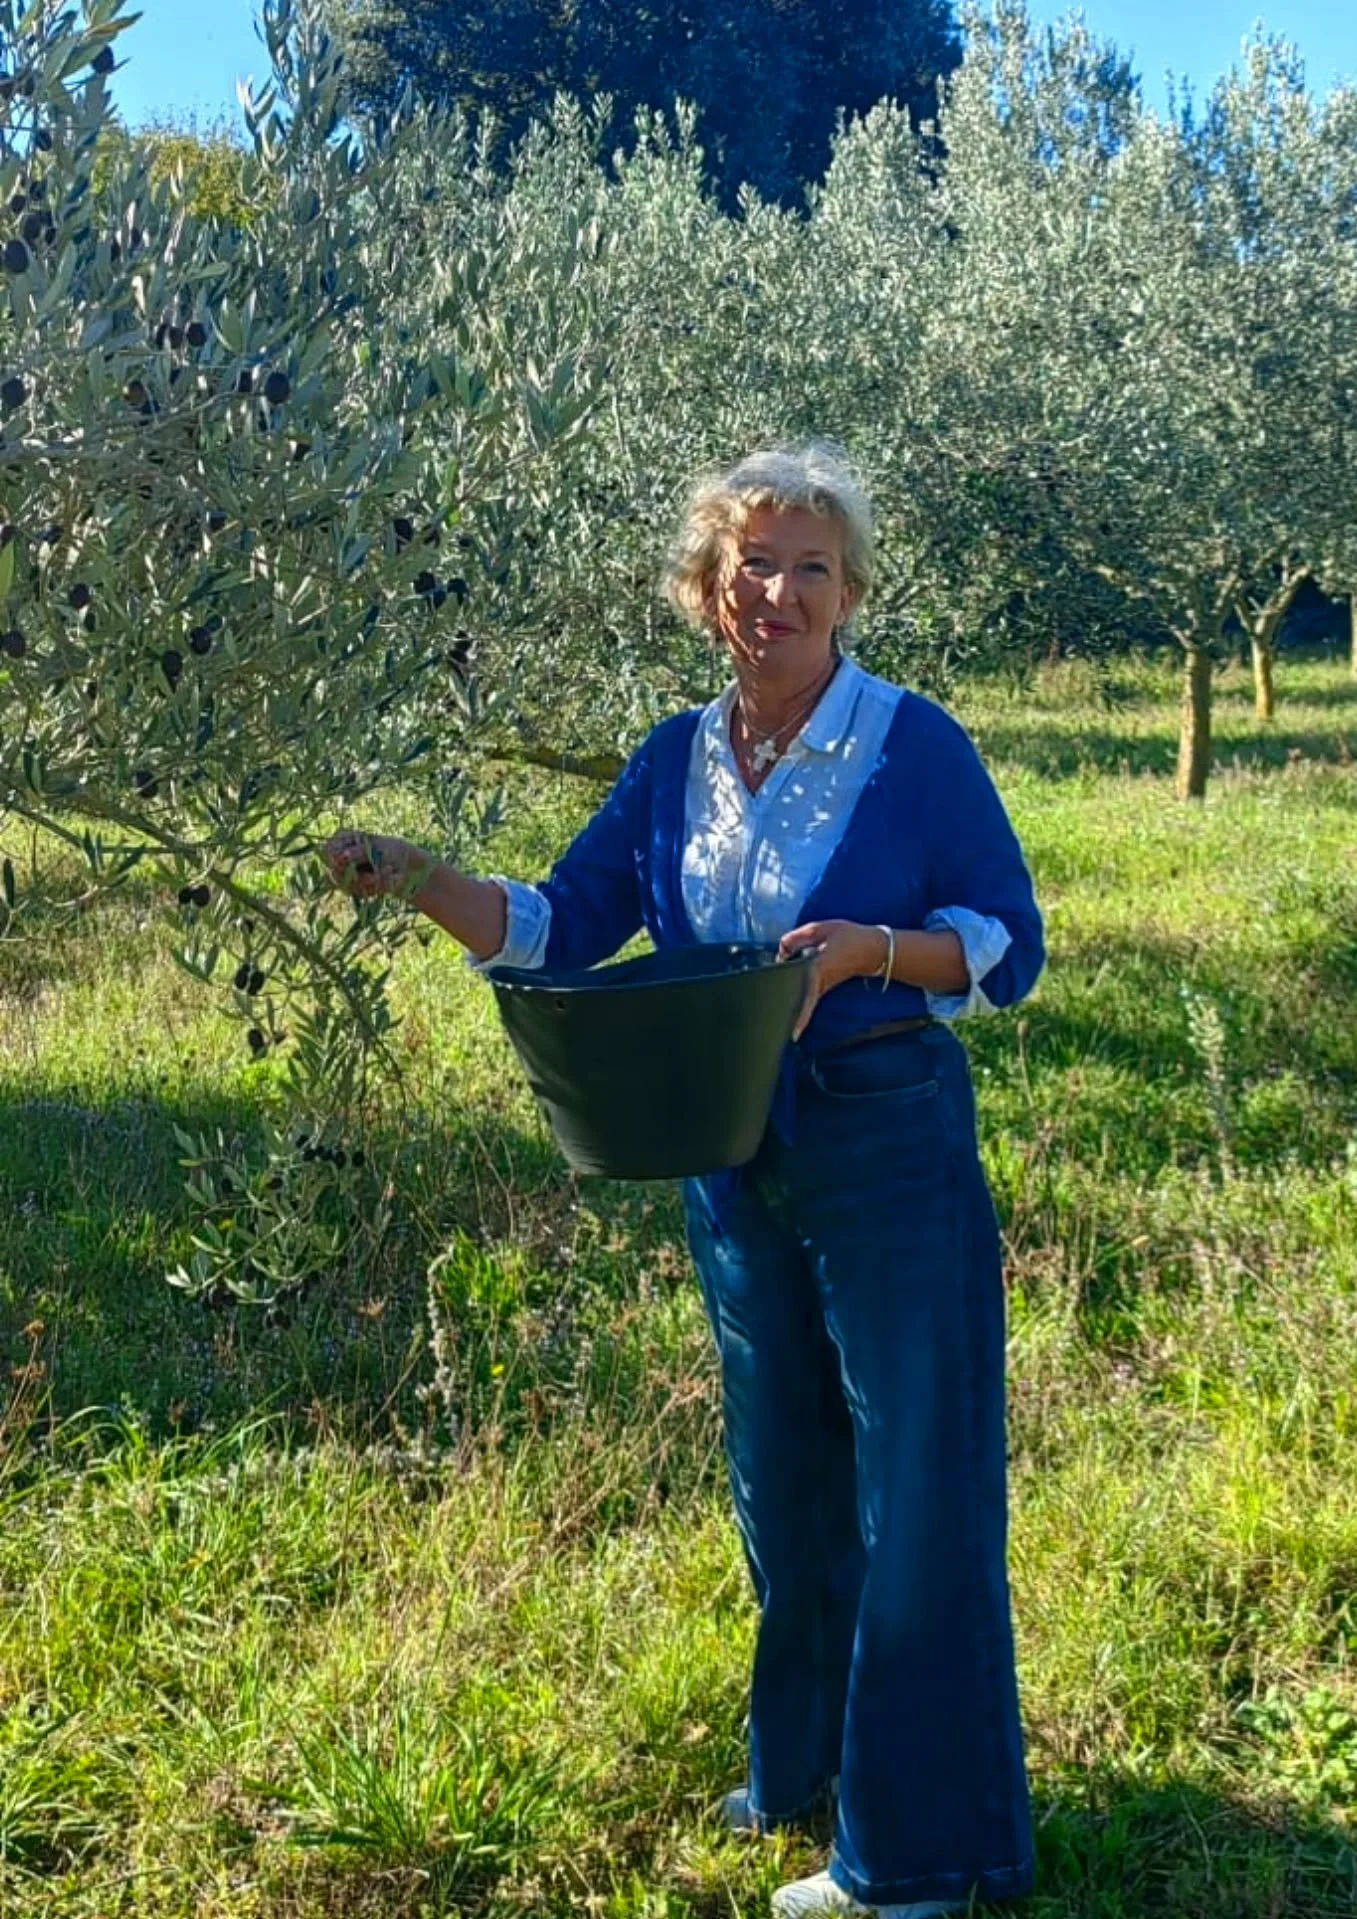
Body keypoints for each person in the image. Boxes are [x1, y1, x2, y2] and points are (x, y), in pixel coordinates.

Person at [322, 442, 1044, 1918]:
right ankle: (805, 1772)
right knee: (783, 1479)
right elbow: (559, 921)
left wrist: (870, 951)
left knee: (919, 1484)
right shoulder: (673, 761)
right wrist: (421, 875)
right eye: (751, 564)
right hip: (730, 1158)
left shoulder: (914, 746)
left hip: (889, 1145)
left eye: (810, 568)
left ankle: (919, 1854)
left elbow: (1007, 944)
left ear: (849, 594)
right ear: (709, 589)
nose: (778, 591)